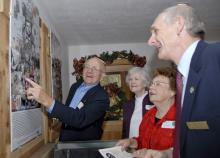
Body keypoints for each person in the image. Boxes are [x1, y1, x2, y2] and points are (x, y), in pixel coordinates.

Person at [147, 3, 220, 158]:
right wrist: (168, 154)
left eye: (155, 31)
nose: (150, 41)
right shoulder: (183, 78)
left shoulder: (215, 56)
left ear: (178, 25)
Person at [25, 57, 109, 141]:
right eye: (87, 66)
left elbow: (80, 119)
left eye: (95, 68)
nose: (90, 71)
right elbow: (68, 111)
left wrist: (47, 101)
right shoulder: (75, 86)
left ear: (102, 76)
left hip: (83, 149)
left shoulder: (102, 97)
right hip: (64, 141)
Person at [117, 67, 176, 158]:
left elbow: (189, 148)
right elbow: (142, 141)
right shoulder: (149, 114)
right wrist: (133, 142)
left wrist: (166, 154)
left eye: (158, 84)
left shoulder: (182, 117)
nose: (151, 87)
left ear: (173, 91)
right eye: (152, 83)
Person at [122, 67, 153, 138]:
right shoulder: (127, 105)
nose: (132, 82)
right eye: (130, 79)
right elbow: (125, 130)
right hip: (130, 146)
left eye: (136, 79)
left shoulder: (153, 101)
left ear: (145, 83)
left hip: (147, 147)